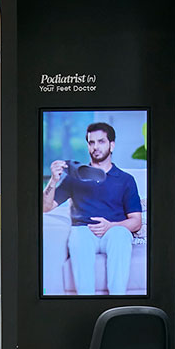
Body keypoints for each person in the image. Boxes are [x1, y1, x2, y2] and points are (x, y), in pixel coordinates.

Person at [42, 121, 144, 296]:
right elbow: (46, 207)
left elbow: (136, 222)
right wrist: (53, 180)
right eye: (91, 142)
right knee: (78, 236)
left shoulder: (125, 180)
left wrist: (110, 226)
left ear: (112, 145)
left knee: (120, 235)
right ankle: (86, 301)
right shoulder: (74, 177)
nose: (96, 147)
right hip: (84, 231)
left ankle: (117, 301)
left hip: (114, 232)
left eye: (101, 141)